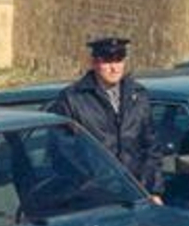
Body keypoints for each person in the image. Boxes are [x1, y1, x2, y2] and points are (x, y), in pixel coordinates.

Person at [47, 36, 164, 198]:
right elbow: (63, 153)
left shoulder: (138, 95)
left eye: (119, 60)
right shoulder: (72, 99)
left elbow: (152, 147)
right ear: (94, 63)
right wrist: (94, 184)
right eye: (108, 61)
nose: (114, 68)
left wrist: (153, 190)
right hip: (94, 197)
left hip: (137, 193)